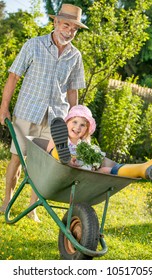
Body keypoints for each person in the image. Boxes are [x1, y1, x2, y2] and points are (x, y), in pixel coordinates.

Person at [0, 4, 88, 221]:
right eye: (66, 25)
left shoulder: (75, 56)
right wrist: (4, 108)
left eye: (74, 29)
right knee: (16, 159)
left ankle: (33, 208)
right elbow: (13, 77)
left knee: (44, 165)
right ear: (55, 22)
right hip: (28, 111)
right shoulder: (34, 45)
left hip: (57, 118)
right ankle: (6, 203)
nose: (69, 31)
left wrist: (76, 120)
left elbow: (72, 90)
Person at [47, 105, 152, 179]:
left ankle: (142, 169)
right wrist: (69, 160)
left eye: (82, 125)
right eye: (74, 122)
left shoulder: (84, 145)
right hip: (62, 171)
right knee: (55, 152)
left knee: (106, 170)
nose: (78, 127)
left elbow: (93, 162)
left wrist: (95, 164)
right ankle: (62, 155)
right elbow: (45, 156)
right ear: (66, 123)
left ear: (86, 131)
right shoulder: (60, 137)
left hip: (83, 175)